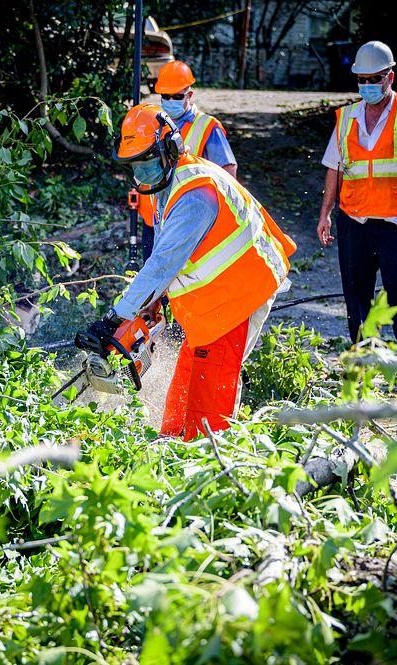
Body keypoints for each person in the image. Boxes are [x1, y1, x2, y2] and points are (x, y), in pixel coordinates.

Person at [83, 104, 295, 441]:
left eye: (147, 162)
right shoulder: (171, 182)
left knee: (211, 390)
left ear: (168, 150)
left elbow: (162, 264)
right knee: (187, 379)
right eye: (135, 165)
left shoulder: (195, 195)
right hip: (217, 297)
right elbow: (180, 257)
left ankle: (209, 454)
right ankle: (172, 440)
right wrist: (156, 302)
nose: (142, 174)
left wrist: (115, 319)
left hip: (240, 292)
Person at [316, 40, 397, 354]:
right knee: (357, 297)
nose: (369, 84)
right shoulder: (346, 118)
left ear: (390, 77)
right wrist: (325, 214)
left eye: (376, 78)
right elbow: (335, 168)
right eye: (363, 79)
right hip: (355, 220)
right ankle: (363, 358)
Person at [138, 60, 238, 261]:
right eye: (165, 96)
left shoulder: (208, 127)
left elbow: (229, 174)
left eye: (177, 96)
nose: (170, 100)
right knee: (153, 284)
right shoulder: (154, 124)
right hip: (154, 219)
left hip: (189, 222)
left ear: (189, 95)